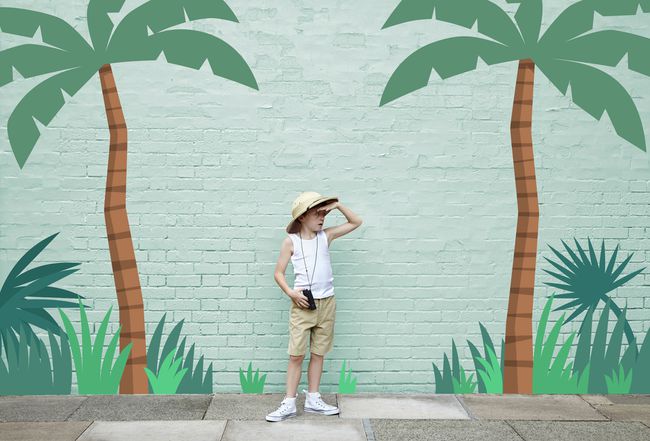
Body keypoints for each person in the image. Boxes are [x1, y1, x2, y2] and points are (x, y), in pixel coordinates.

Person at [265, 191, 363, 422]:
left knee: (318, 353)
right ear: (302, 217)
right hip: (302, 304)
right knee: (296, 355)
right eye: (317, 214)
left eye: (324, 214)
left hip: (327, 303)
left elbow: (356, 222)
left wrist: (337, 205)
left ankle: (313, 399)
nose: (322, 218)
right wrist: (291, 293)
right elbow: (278, 272)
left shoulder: (325, 237)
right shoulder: (291, 241)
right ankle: (289, 402)